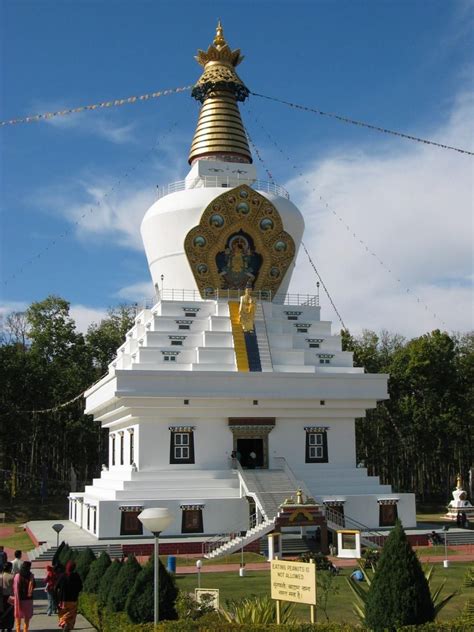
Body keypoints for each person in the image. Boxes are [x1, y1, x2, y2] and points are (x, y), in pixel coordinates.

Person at [55, 560, 83, 631]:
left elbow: (56, 587)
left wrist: (56, 597)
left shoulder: (62, 576)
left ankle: (63, 623)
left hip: (62, 600)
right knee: (71, 615)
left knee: (61, 613)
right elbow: (80, 587)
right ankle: (68, 626)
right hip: (73, 599)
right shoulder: (76, 576)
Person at [13, 561, 35, 632]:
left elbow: (14, 587)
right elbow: (34, 585)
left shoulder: (17, 575)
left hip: (19, 598)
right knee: (27, 616)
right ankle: (25, 630)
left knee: (18, 616)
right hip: (28, 599)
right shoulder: (31, 576)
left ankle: (18, 629)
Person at [1, 561, 14, 632]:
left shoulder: (0, 575)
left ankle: (2, 627)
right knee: (10, 614)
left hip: (1, 597)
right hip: (10, 597)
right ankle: (9, 628)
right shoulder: (12, 576)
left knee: (2, 613)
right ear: (10, 568)